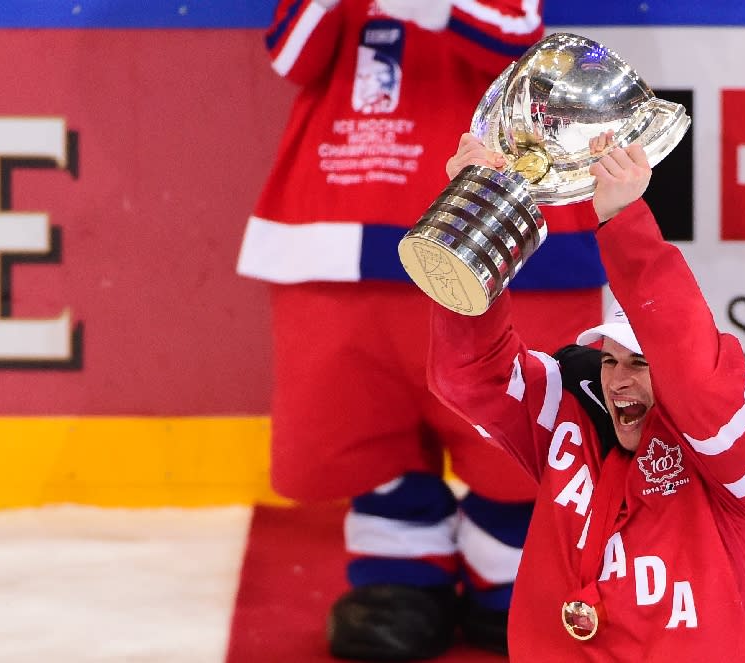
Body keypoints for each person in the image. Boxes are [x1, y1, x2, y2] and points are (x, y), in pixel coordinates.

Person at [235, 0, 605, 659]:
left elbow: (514, 35)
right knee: (354, 403)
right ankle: (399, 572)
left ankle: (512, 568)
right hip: (344, 198)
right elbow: (291, 54)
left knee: (515, 408)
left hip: (488, 193)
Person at [426, 131, 745, 661]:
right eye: (609, 360)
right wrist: (477, 221)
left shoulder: (743, 443)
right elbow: (468, 374)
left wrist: (625, 221)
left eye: (641, 363)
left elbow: (698, 385)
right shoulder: (575, 413)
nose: (618, 379)